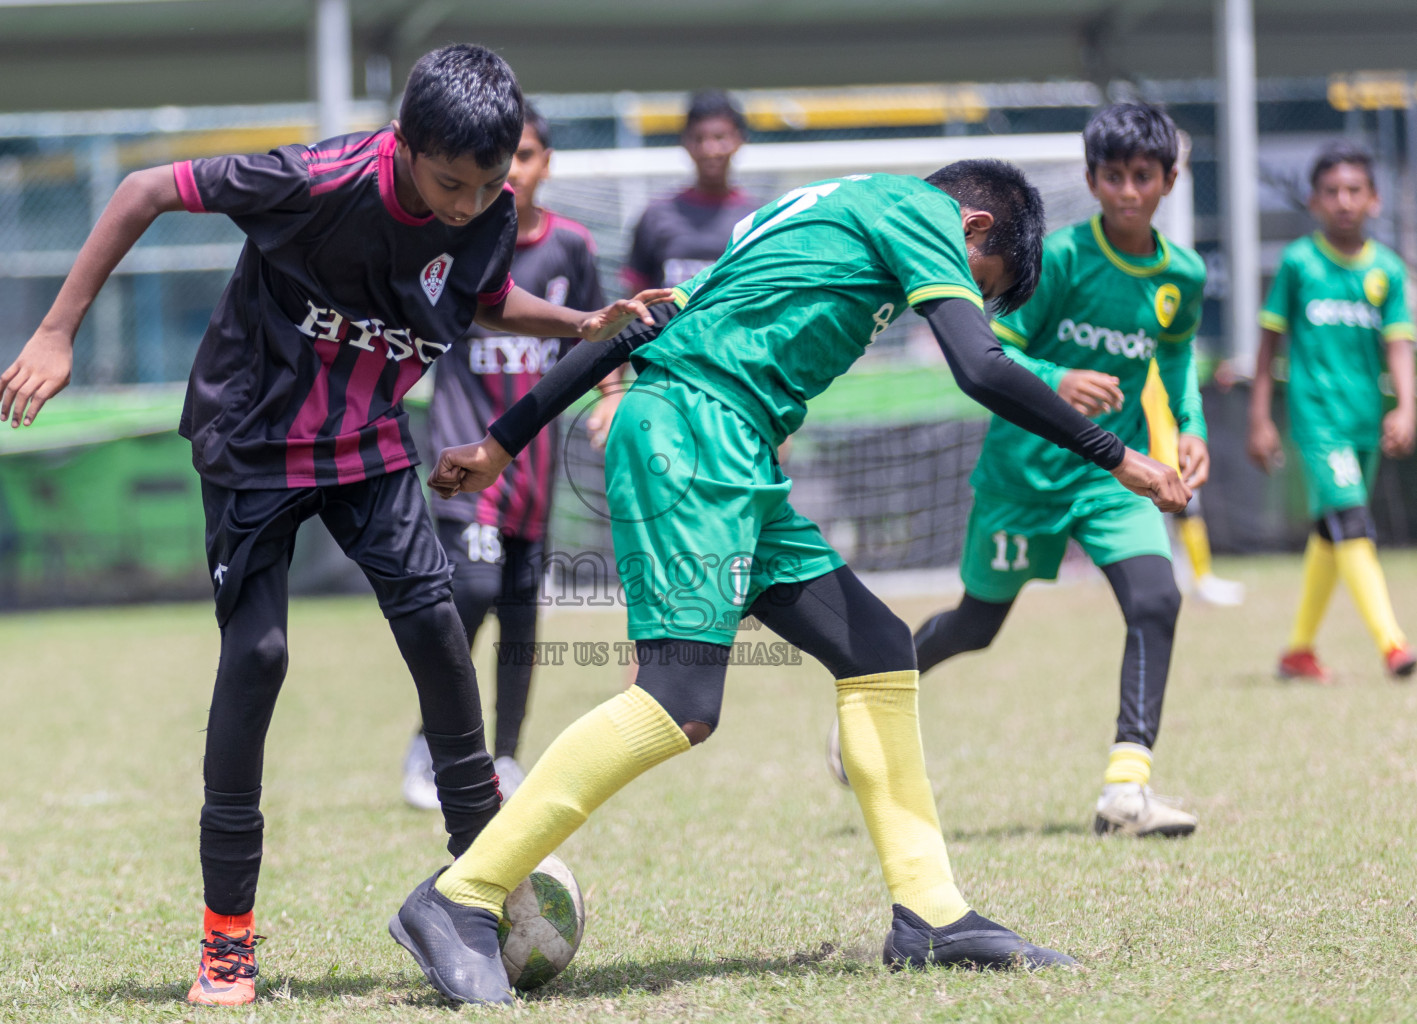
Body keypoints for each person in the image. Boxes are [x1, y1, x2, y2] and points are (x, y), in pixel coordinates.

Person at [388, 158, 1191, 1004]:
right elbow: (979, 368)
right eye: (973, 280)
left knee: (877, 649)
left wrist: (503, 441)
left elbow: (639, 327)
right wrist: (1122, 458)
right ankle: (461, 895)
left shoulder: (816, 215)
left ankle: (929, 911)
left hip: (730, 444)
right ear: (974, 230)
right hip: (695, 435)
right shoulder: (923, 211)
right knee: (677, 701)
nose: (957, 292)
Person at [0, 44, 665, 1007]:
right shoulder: (313, 178)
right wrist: (57, 330)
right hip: (252, 437)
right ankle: (227, 939)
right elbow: (142, 188)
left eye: (485, 185)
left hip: (366, 441)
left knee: (435, 624)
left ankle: (477, 879)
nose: (469, 204)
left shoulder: (486, 210)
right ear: (405, 144)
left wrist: (580, 325)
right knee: (258, 657)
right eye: (450, 183)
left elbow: (475, 301)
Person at [896, 105, 1207, 840]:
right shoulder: (1057, 258)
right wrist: (1057, 375)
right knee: (975, 627)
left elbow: (1174, 358)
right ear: (1091, 178)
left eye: (1142, 176)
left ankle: (1125, 790)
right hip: (1024, 475)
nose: (1127, 191)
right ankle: (874, 690)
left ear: (1168, 178)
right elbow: (992, 349)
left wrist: (1190, 429)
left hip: (1111, 475)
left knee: (1155, 600)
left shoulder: (1181, 275)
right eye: (1112, 176)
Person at [402, 101, 621, 808]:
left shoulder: (570, 248)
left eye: (526, 156)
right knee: (470, 592)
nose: (514, 171)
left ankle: (506, 756)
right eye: (507, 158)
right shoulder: (453, 241)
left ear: (543, 164)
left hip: (531, 469)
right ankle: (430, 744)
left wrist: (612, 395)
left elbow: (597, 339)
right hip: (466, 460)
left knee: (522, 617)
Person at [1250, 141, 1416, 683]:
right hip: (1317, 421)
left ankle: (1298, 651)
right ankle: (1393, 645)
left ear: (1374, 199)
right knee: (1352, 519)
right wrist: (1259, 417)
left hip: (1365, 419)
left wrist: (1406, 408)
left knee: (1331, 530)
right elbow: (1268, 342)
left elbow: (1398, 346)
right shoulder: (1298, 262)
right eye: (1331, 192)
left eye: (1354, 191)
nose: (1343, 200)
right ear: (1313, 201)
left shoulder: (1387, 270)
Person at [621, 89, 763, 292]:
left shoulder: (757, 218)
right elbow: (635, 296)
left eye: (719, 137)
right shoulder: (655, 217)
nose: (710, 149)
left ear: (739, 140)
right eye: (699, 138)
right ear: (685, 142)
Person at [1140, 363, 1244, 606]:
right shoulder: (1147, 358)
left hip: (1167, 449)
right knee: (1180, 512)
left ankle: (1199, 578)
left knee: (1185, 513)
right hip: (1154, 453)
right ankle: (1197, 579)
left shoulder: (1166, 355)